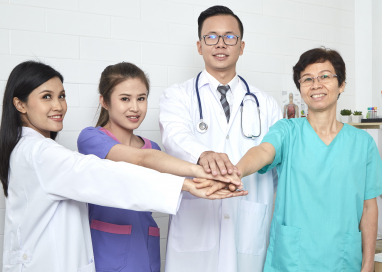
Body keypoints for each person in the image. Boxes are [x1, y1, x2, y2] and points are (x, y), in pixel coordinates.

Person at [0, 61, 245, 272]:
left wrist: (204, 180)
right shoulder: (44, 151)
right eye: (46, 97)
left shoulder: (35, 149)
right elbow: (119, 171)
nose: (58, 105)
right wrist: (193, 178)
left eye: (61, 96)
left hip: (140, 246)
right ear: (20, 105)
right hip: (94, 252)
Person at [77, 62, 246, 272]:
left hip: (146, 245)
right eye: (124, 99)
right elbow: (140, 160)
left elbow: (175, 183)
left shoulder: (152, 148)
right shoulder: (91, 138)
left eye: (141, 98)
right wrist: (199, 169)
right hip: (108, 246)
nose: (135, 107)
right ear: (104, 101)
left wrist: (215, 181)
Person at [233, 48, 382, 271]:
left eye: (325, 76)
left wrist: (368, 264)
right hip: (292, 260)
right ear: (301, 88)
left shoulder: (362, 143)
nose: (316, 84)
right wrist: (236, 170)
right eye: (307, 79)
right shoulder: (287, 131)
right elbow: (263, 152)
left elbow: (368, 208)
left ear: (341, 84)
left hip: (343, 260)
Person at [159, 5, 282, 272]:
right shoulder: (178, 96)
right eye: (211, 37)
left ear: (241, 46)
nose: (220, 44)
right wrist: (204, 154)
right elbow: (174, 136)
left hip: (249, 222)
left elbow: (274, 163)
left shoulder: (266, 104)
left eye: (229, 37)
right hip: (196, 222)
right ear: (199, 46)